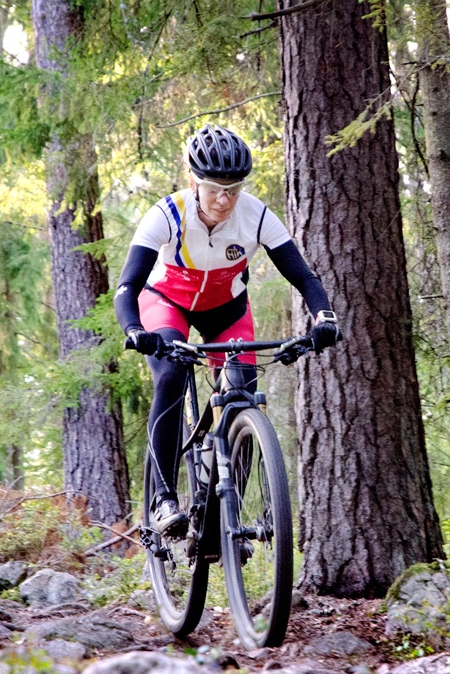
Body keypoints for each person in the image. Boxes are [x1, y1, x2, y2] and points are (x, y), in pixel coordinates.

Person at [114, 124, 339, 538]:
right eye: (215, 188)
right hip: (167, 303)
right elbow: (127, 286)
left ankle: (222, 512)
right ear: (194, 183)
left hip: (226, 309)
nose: (224, 199)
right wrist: (133, 328)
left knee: (242, 390)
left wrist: (324, 318)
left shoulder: (255, 216)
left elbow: (305, 278)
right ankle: (164, 499)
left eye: (233, 189)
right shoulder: (166, 215)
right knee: (171, 374)